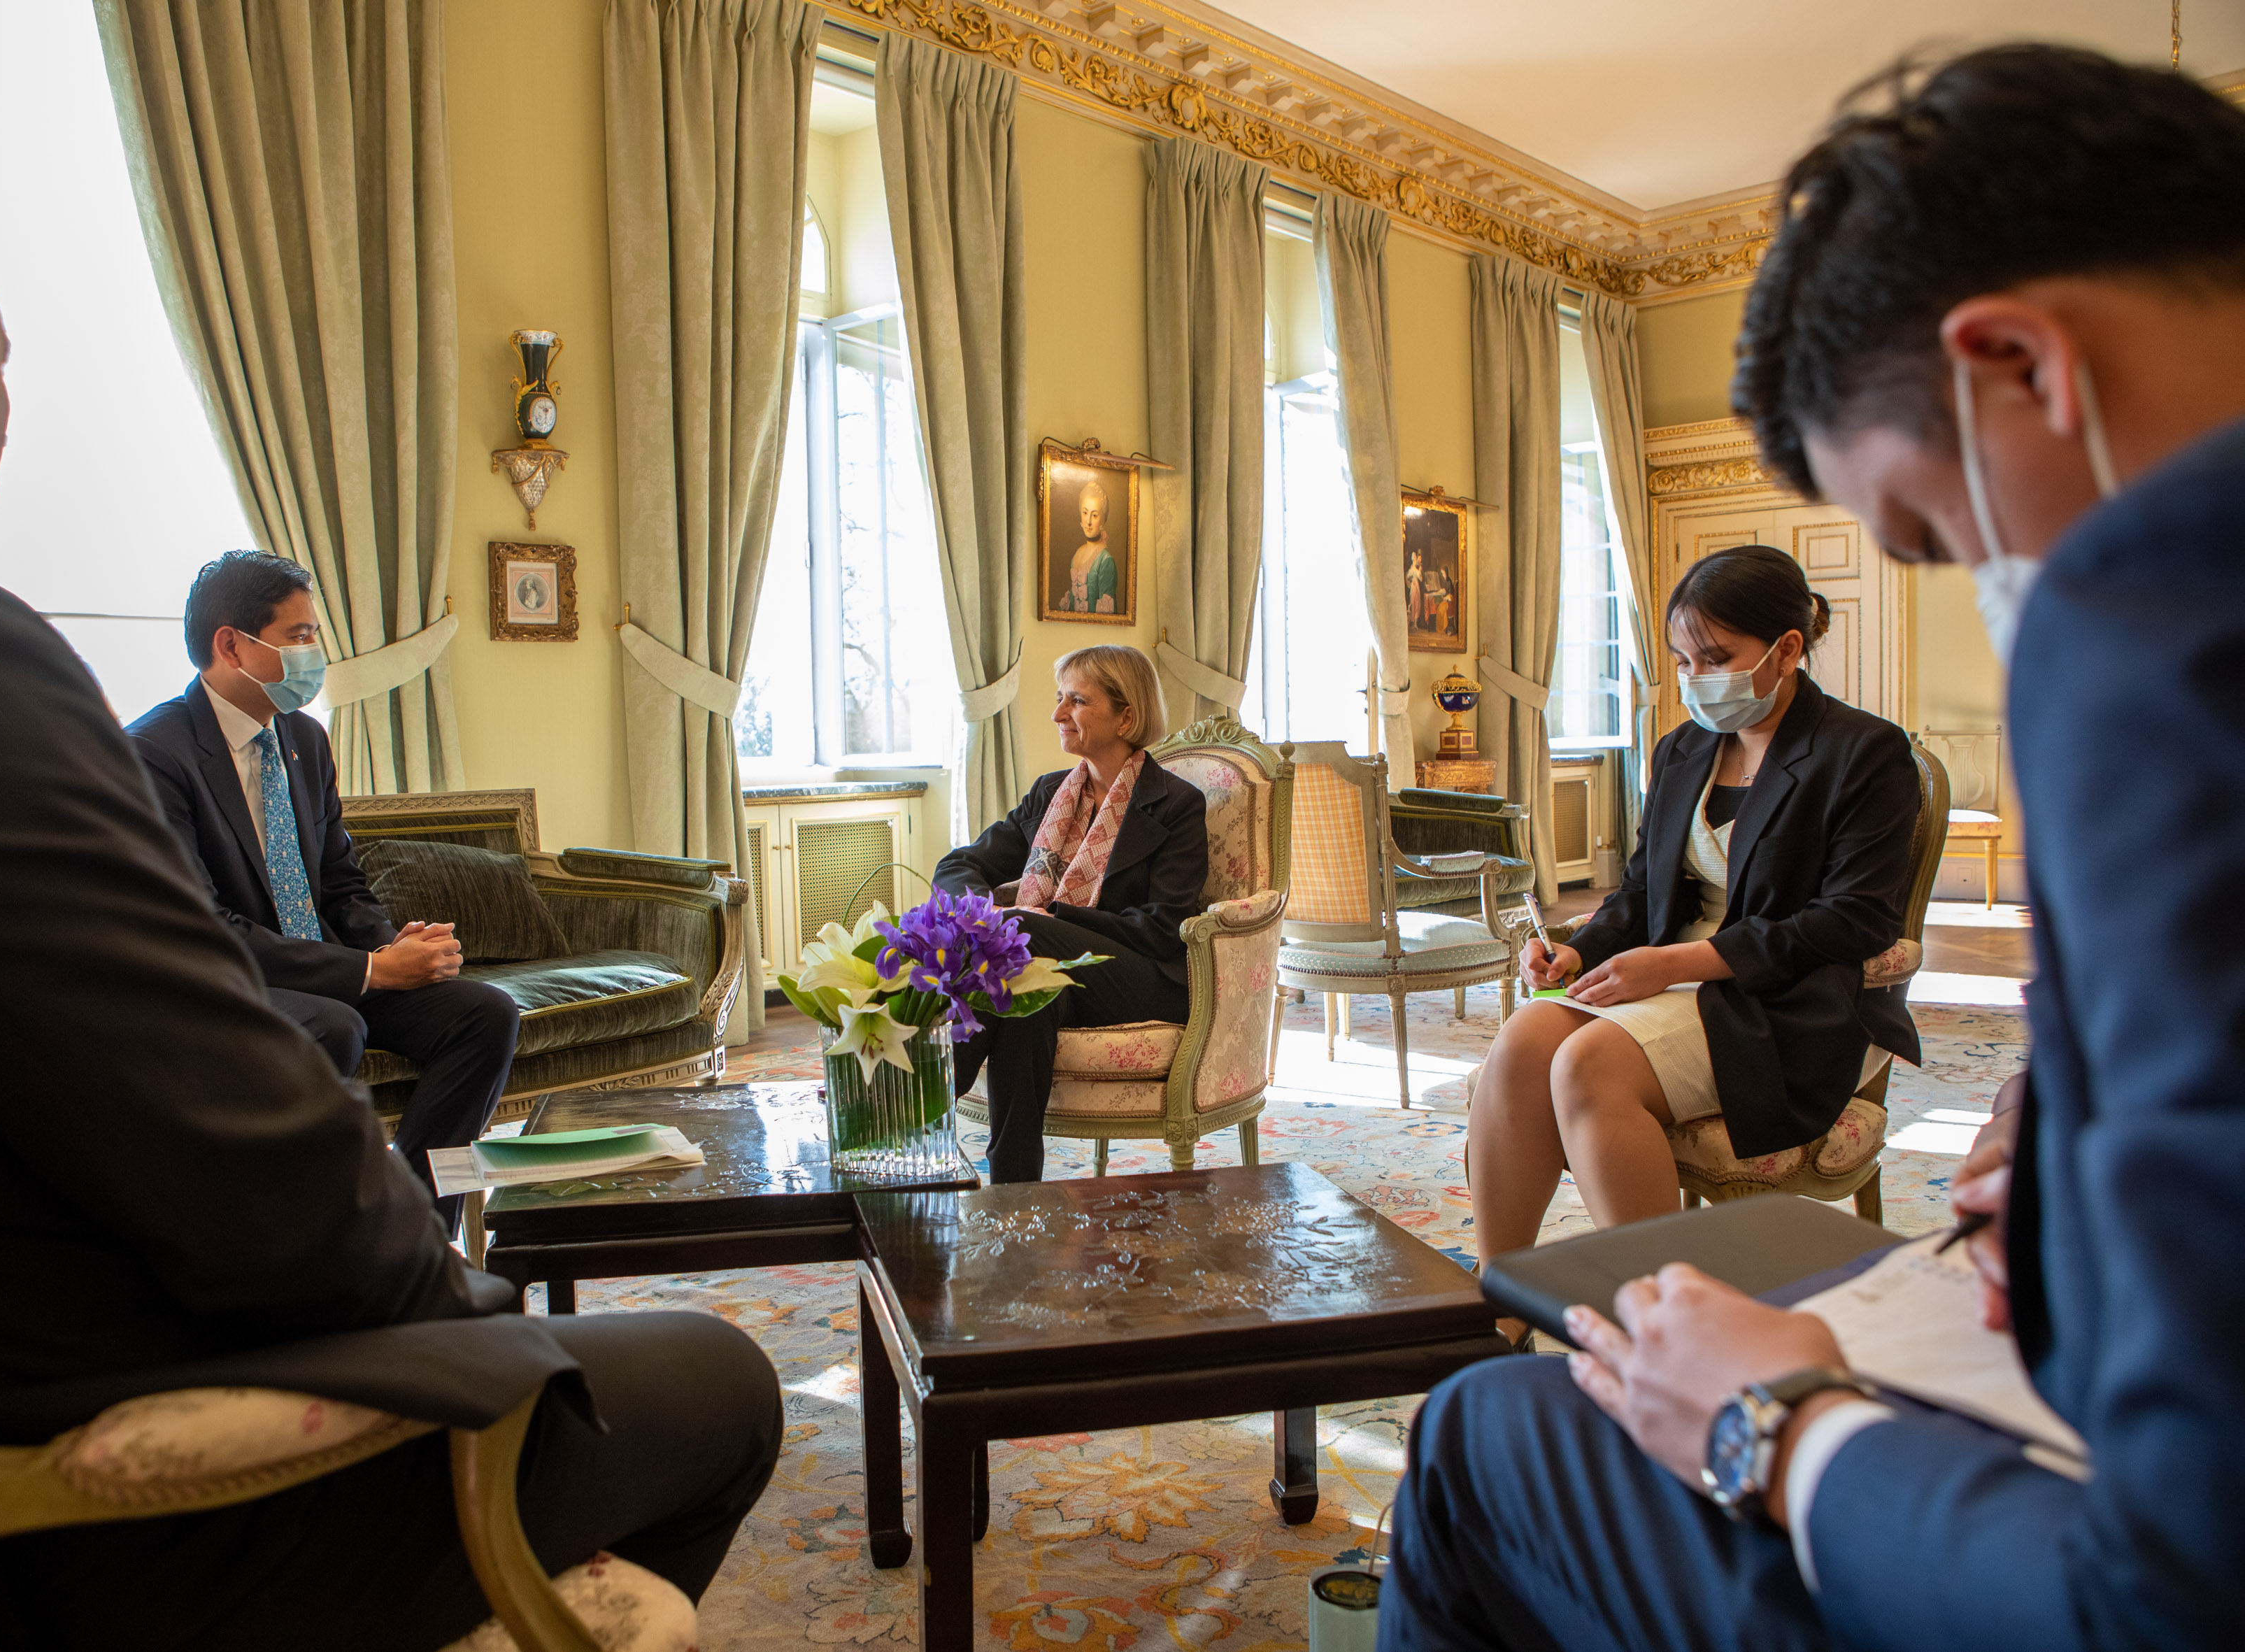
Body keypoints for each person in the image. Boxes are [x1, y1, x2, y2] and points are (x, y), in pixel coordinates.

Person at [0, 109, 777, 1652]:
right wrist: (466, 1324)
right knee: (719, 1377)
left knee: (457, 1036)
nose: (4, 420)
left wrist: (398, 954)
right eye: (6, 371)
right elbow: (230, 1145)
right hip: (72, 1478)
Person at [1378, 45, 2245, 1651]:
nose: (1992, 586)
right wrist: (2059, 1145)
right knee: (1537, 1039)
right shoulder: (1689, 749)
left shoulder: (2169, 651)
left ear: (2020, 371)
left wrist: (1777, 1423)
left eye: (1933, 532)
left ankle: (1636, 1345)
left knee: (1488, 1444)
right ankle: (1540, 1310)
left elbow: (2167, 1597)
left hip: (1797, 1039)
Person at [1466, 544, 1919, 1309]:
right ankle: (1501, 1300)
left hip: (1784, 998)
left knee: (1588, 1065)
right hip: (1671, 977)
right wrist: (1578, 948)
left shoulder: (1863, 752)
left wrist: (1683, 963)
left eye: (1716, 656)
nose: (1696, 677)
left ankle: (1662, 1316)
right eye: (1682, 659)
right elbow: (1643, 890)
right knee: (1521, 1043)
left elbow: (1855, 919)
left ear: (1787, 648)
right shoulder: (1684, 750)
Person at [128, 551, 521, 1232]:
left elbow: (340, 880)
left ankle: (415, 1232)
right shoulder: (155, 753)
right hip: (233, 981)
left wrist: (390, 944)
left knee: (485, 1013)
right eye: (300, 635)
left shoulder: (306, 739)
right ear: (231, 644)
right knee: (335, 1025)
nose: (317, 653)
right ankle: (314, 1237)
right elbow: (202, 925)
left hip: (331, 964)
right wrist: (370, 971)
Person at [934, 644, 1205, 1181]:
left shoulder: (1175, 804)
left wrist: (1057, 921)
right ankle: (1014, 1187)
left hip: (1143, 975)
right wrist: (977, 911)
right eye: (1060, 699)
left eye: (1076, 701)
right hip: (1055, 970)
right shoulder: (1050, 793)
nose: (1058, 713)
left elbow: (1161, 926)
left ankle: (921, 1098)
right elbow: (960, 863)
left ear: (1126, 716)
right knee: (1024, 999)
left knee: (1023, 934)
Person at [1062, 478, 1118, 614]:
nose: (1089, 522)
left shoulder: (1105, 561)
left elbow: (1107, 617)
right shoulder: (1078, 554)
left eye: (1095, 515)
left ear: (1103, 520)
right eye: (1085, 513)